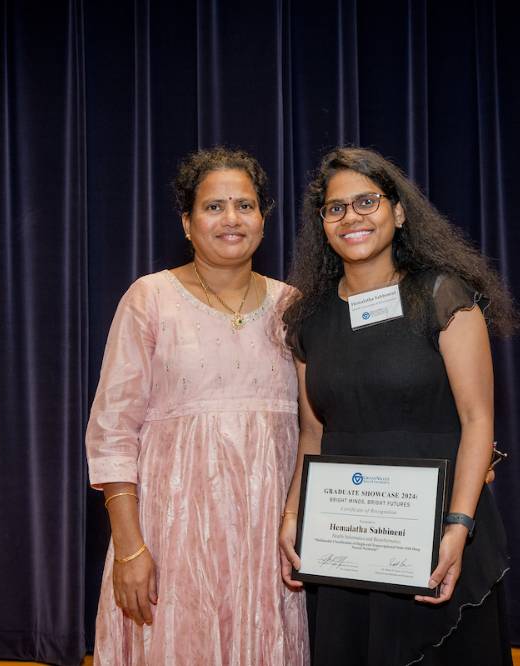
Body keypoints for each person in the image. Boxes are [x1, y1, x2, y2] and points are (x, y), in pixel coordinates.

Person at [279, 146, 520, 665]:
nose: (352, 217)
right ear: (322, 223)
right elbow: (312, 433)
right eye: (336, 208)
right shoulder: (308, 318)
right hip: (347, 538)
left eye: (367, 201)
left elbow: (478, 420)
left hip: (437, 534)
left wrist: (458, 526)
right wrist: (293, 513)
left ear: (399, 211)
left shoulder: (442, 295)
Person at [85, 147, 308, 665]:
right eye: (213, 207)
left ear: (263, 218)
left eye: (245, 205)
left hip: (267, 540)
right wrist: (130, 547)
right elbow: (112, 431)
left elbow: (329, 415)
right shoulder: (149, 298)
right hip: (172, 538)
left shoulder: (294, 306)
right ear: (187, 223)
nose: (231, 218)